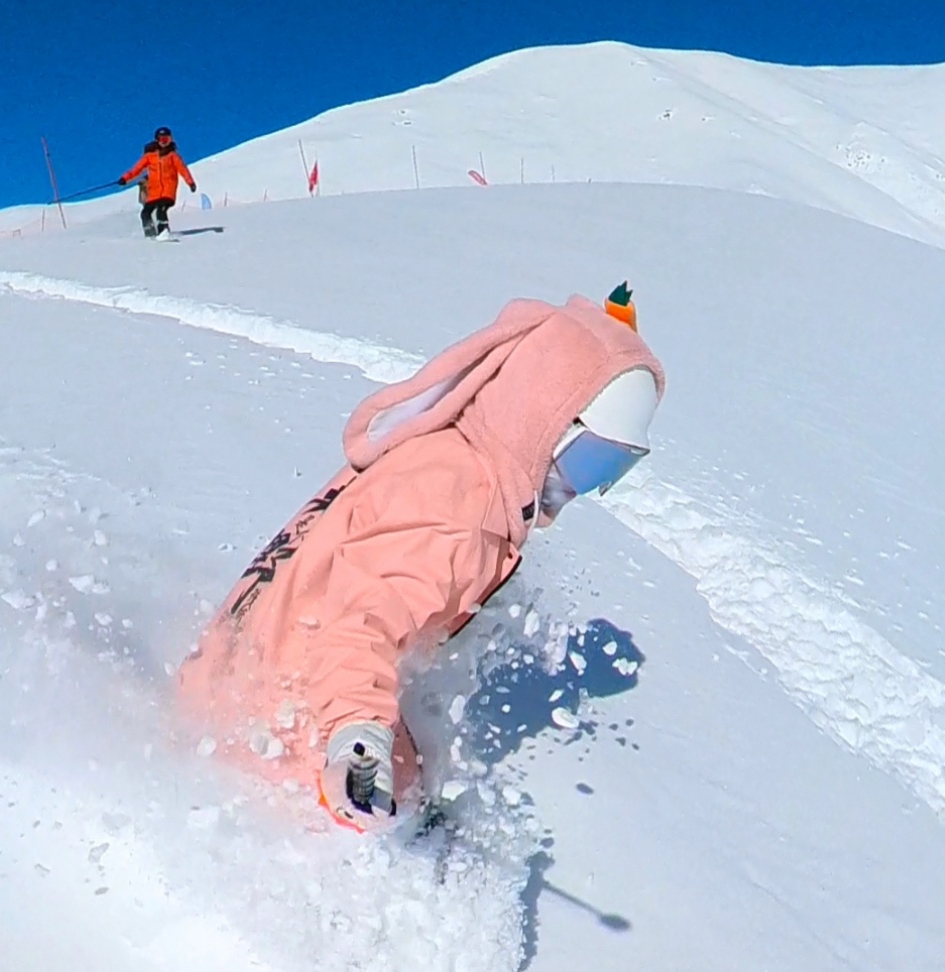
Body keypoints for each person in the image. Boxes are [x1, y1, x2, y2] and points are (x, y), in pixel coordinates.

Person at [178, 283, 663, 833]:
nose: (585, 489)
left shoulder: (447, 453)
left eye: (612, 472)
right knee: (395, 816)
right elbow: (358, 620)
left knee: (415, 784)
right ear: (544, 418)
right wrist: (359, 737)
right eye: (591, 460)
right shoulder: (462, 504)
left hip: (236, 679)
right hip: (280, 727)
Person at [120, 127, 197, 239]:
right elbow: (136, 170)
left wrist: (190, 183)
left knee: (161, 210)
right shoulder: (150, 157)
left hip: (167, 191)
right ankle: (150, 234)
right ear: (157, 140)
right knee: (145, 213)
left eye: (167, 139)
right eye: (162, 140)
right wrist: (125, 179)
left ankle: (163, 232)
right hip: (154, 192)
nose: (164, 143)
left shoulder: (173, 156)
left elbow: (183, 169)